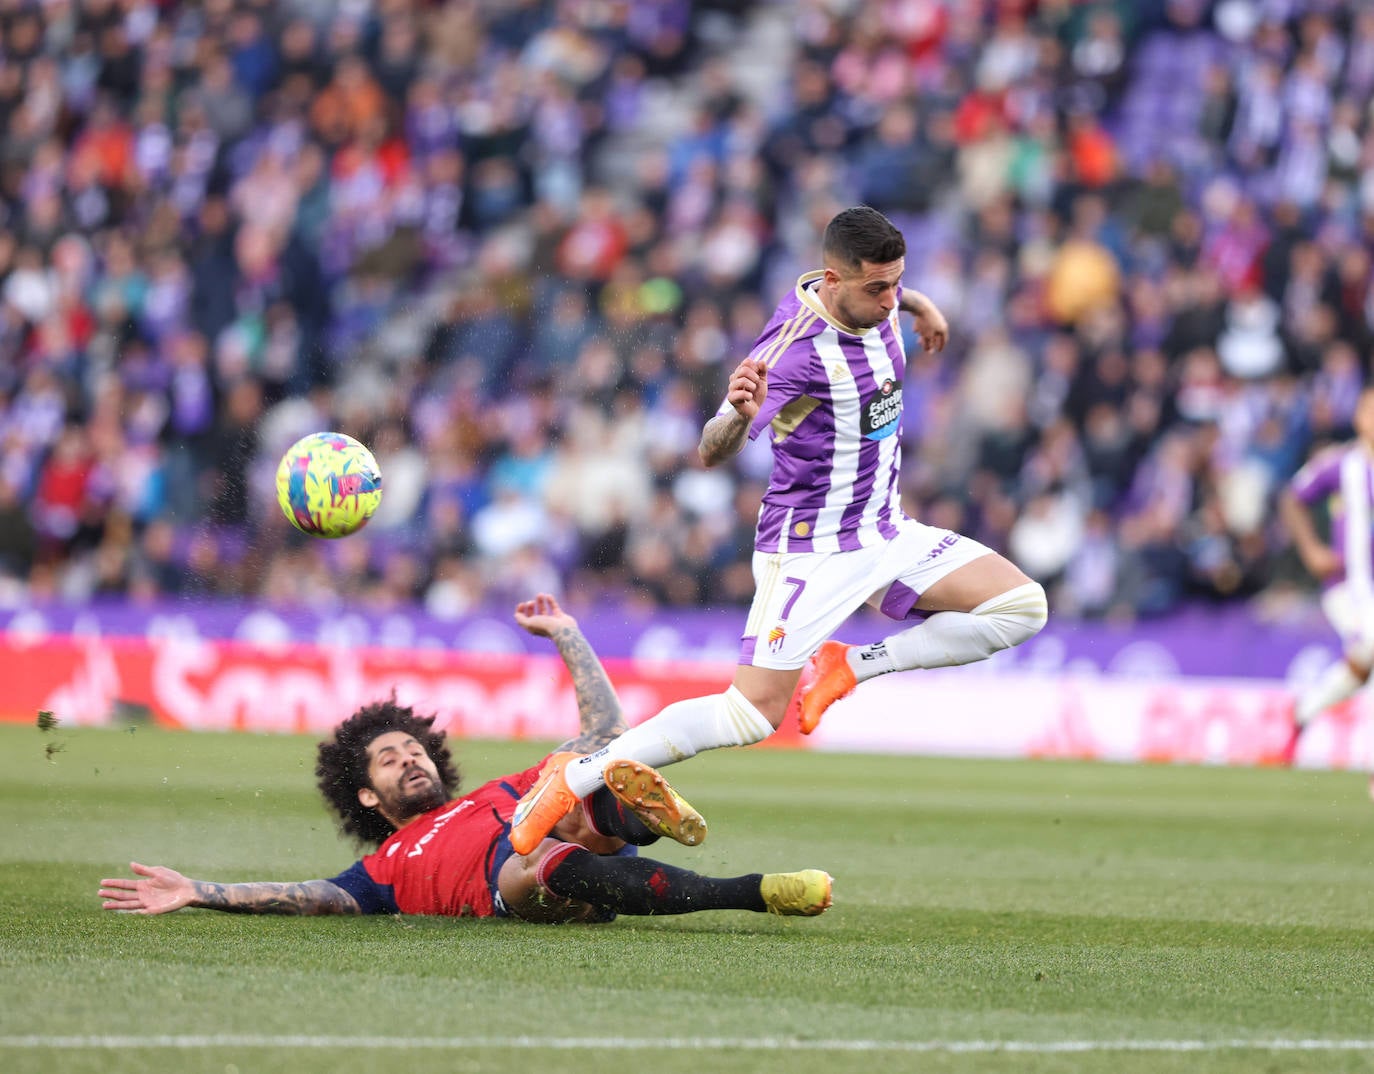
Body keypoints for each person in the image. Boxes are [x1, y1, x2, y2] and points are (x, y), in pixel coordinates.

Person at [510, 206, 1048, 854]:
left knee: (1022, 607)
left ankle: (850, 663)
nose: (890, 298)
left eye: (897, 283)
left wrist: (921, 307)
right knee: (749, 715)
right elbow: (711, 449)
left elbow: (891, 294)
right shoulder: (791, 354)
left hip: (883, 530)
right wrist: (736, 417)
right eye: (879, 289)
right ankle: (574, 776)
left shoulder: (876, 297)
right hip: (812, 552)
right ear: (833, 279)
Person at [98, 594, 833, 922]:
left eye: (413, 748)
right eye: (389, 760)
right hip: (513, 887)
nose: (410, 760)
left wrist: (570, 634)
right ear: (365, 796)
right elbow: (304, 894)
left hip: (562, 843)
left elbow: (606, 727)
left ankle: (634, 817)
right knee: (530, 861)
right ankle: (755, 889)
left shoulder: (493, 788)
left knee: (577, 776)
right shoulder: (379, 872)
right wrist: (200, 889)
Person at [1277, 386, 1374, 764]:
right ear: (1358, 418)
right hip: (1349, 586)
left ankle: (1301, 714)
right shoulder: (1341, 464)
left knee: (1361, 666)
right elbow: (1292, 498)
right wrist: (1311, 549)